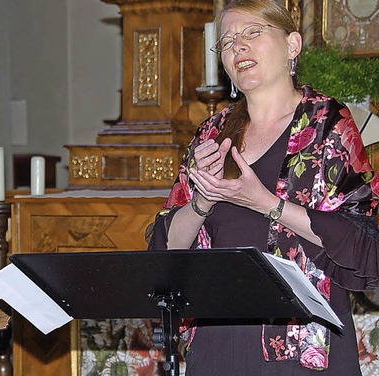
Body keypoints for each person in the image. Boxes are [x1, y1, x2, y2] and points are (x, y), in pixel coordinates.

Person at [147, 0, 379, 374]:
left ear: (292, 45)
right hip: (217, 338)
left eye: (253, 33)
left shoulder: (329, 125)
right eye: (227, 41)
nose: (238, 46)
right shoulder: (212, 132)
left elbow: (365, 248)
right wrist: (203, 202)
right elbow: (165, 250)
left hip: (301, 339)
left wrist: (267, 204)